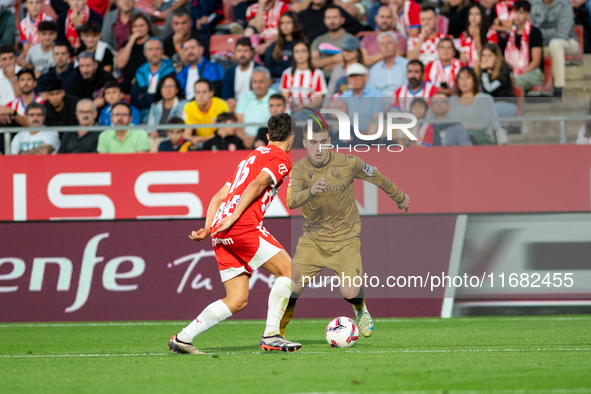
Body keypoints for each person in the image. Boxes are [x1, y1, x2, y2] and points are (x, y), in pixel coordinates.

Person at [170, 113, 302, 354]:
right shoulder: (281, 157)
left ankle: (183, 337)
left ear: (268, 135)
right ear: (292, 137)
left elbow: (218, 196)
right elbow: (258, 184)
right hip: (241, 226)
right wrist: (234, 216)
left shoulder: (249, 158)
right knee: (290, 273)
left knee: (237, 299)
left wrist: (208, 227)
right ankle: (272, 335)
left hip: (220, 231)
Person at [281, 121, 410, 340]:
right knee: (290, 288)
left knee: (349, 292)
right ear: (305, 143)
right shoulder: (300, 169)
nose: (319, 148)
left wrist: (399, 197)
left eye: (323, 142)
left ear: (330, 142)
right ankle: (278, 332)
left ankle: (359, 308)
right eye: (313, 143)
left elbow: (377, 178)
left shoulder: (349, 162)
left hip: (345, 239)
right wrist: (311, 191)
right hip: (313, 241)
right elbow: (291, 201)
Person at [530, 0, 578, 98]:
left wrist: (540, 34)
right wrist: (552, 31)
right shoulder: (534, 5)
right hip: (543, 42)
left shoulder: (564, 5)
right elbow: (531, 31)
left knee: (555, 44)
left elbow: (562, 34)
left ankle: (558, 88)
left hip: (569, 42)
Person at [447, 66, 507, 145]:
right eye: (461, 78)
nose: (464, 81)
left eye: (468, 78)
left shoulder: (484, 99)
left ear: (474, 81)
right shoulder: (451, 101)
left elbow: (485, 121)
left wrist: (470, 129)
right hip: (457, 139)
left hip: (479, 138)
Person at [502, 1, 544, 92]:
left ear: (527, 14)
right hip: (514, 73)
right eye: (515, 12)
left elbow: (536, 62)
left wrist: (520, 75)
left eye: (520, 13)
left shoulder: (534, 32)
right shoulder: (510, 35)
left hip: (533, 72)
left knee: (512, 83)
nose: (517, 15)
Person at [131, 38, 175, 114]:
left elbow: (169, 96)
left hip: (165, 110)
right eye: (150, 49)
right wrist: (154, 97)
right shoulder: (140, 72)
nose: (154, 53)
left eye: (157, 49)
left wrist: (144, 96)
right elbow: (135, 99)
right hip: (143, 111)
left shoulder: (170, 71)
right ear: (145, 53)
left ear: (162, 52)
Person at [280, 41, 327, 112]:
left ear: (308, 53)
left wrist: (303, 107)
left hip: (310, 110)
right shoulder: (287, 73)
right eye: (297, 51)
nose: (300, 54)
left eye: (303, 51)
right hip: (290, 111)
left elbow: (319, 101)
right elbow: (285, 97)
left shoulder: (318, 74)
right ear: (293, 54)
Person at [235, 66, 275, 146]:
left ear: (268, 82)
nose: (257, 85)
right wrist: (245, 139)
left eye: (261, 82)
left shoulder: (276, 97)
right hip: (244, 141)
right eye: (254, 82)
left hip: (268, 141)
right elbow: (238, 124)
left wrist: (255, 139)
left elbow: (279, 126)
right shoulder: (244, 97)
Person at [311, 5, 355, 78]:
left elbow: (352, 63)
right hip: (322, 78)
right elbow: (314, 63)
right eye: (328, 17)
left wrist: (323, 65)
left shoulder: (351, 40)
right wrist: (335, 59)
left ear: (342, 20)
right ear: (324, 21)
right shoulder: (318, 40)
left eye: (335, 17)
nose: (332, 21)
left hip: (344, 77)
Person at [183, 78, 230, 145]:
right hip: (198, 144)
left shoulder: (221, 105)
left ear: (211, 93)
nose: (200, 95)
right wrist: (193, 140)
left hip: (219, 142)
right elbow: (186, 134)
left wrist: (200, 139)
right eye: (197, 92)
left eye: (204, 92)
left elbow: (223, 133)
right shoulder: (189, 107)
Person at [116, 13, 155, 94]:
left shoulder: (154, 42)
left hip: (147, 82)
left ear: (148, 26)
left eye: (142, 25)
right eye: (135, 26)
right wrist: (131, 41)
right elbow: (120, 64)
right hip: (128, 83)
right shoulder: (127, 43)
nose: (139, 29)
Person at [478, 43, 517, 118]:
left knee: (486, 110)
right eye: (483, 55)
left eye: (490, 55)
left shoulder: (504, 71)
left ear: (496, 57)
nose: (486, 59)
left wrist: (484, 72)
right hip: (490, 105)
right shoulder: (480, 72)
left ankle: (498, 129)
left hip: (506, 105)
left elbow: (489, 89)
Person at [264, 11, 308, 80]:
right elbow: (267, 68)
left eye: (288, 22)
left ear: (295, 24)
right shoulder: (274, 45)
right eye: (282, 23)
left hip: (295, 79)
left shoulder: (301, 44)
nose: (285, 26)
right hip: (276, 80)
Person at [298, 0, 365, 43]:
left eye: (334, 17)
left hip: (335, 46)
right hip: (312, 50)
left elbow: (357, 26)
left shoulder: (334, 9)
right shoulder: (302, 15)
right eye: (328, 17)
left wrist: (341, 31)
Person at [222, 38, 260, 111]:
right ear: (235, 53)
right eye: (239, 51)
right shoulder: (229, 72)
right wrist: (230, 101)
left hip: (255, 106)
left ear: (251, 53)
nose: (242, 54)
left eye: (245, 51)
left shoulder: (258, 70)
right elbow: (226, 94)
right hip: (235, 108)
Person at [367, 31, 409, 97]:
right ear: (379, 48)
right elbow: (371, 92)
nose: (386, 46)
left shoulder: (406, 65)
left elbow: (410, 89)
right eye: (382, 44)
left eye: (389, 43)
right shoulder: (374, 70)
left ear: (396, 46)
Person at [148, 74, 187, 138]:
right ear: (160, 90)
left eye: (171, 86)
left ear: (177, 90)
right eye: (164, 86)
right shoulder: (154, 106)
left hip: (175, 139)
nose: (168, 89)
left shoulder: (184, 105)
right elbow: (150, 127)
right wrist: (151, 133)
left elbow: (183, 128)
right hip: (156, 139)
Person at [459, 4, 499, 68]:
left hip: (485, 68)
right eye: (471, 14)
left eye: (477, 14)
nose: (473, 17)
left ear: (482, 16)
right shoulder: (464, 35)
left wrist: (477, 37)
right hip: (470, 72)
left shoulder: (491, 33)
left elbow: (488, 58)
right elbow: (462, 60)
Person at [18, 0, 53, 66]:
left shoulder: (49, 21)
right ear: (25, 4)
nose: (34, 6)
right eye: (31, 3)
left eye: (37, 2)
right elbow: (26, 48)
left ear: (42, 4)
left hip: (47, 54)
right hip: (31, 55)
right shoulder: (22, 24)